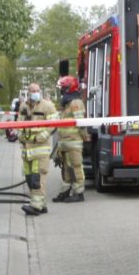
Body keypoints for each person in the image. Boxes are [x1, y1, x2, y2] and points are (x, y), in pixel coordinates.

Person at [17, 82, 57, 215]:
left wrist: (39, 137)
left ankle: (36, 206)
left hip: (40, 148)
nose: (35, 92)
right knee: (29, 178)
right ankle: (41, 203)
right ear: (28, 92)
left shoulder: (48, 106)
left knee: (37, 178)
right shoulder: (23, 106)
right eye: (32, 90)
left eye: (37, 90)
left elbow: (53, 125)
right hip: (27, 150)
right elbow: (19, 123)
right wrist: (20, 136)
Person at [52, 75, 86, 203]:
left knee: (76, 167)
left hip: (73, 141)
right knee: (66, 169)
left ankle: (79, 193)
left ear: (69, 88)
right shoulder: (67, 103)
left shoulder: (76, 102)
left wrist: (85, 136)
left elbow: (80, 123)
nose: (62, 91)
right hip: (65, 142)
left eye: (64, 88)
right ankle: (65, 192)